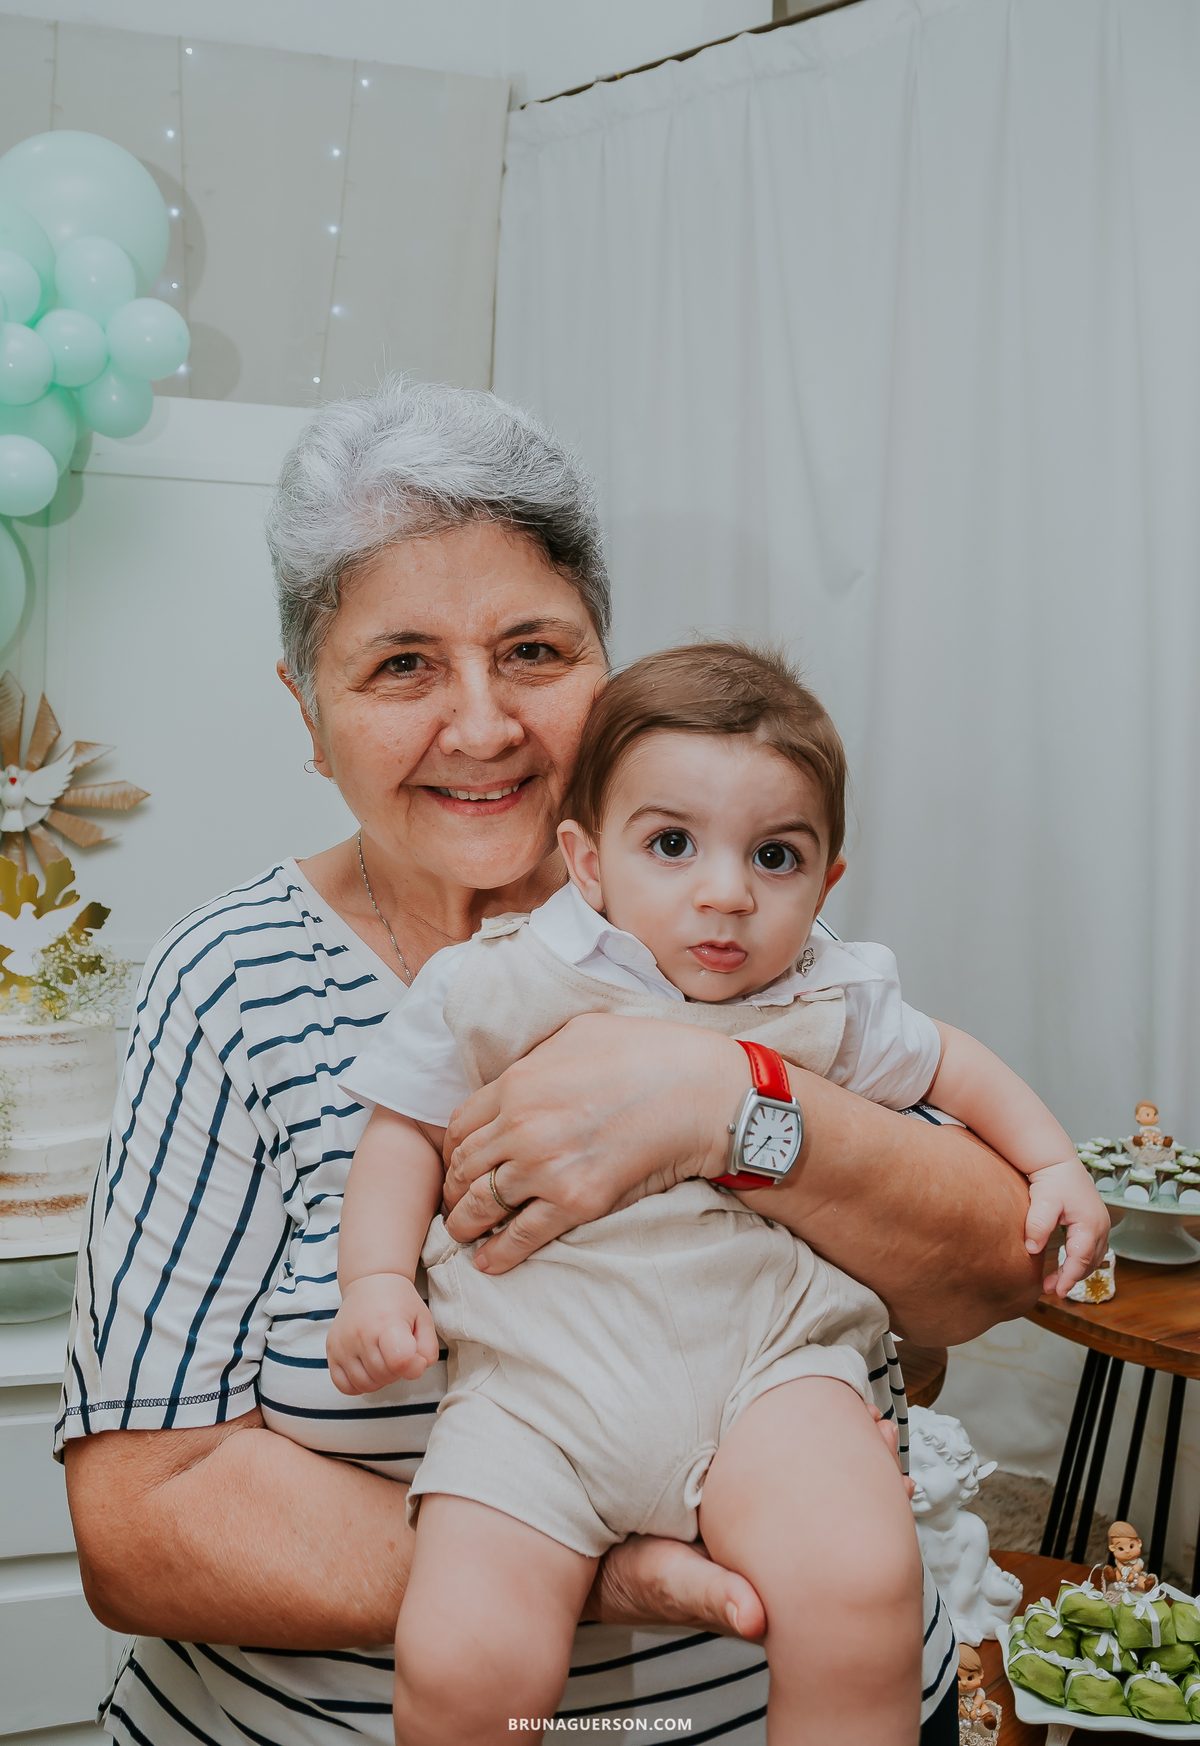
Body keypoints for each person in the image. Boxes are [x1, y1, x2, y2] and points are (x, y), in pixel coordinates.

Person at [58, 379, 1046, 1746]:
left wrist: (730, 1108)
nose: (482, 725)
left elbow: (995, 1265)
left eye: (534, 650)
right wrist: (571, 1565)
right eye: (402, 663)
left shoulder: (743, 925)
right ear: (307, 706)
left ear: (610, 663)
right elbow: (140, 1523)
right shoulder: (228, 985)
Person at [329, 641, 1107, 1742]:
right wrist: (371, 1281)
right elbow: (402, 1128)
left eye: (777, 857)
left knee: (858, 1582)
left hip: (770, 1371)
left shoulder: (826, 992)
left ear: (830, 877)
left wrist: (1054, 1162)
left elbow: (951, 1065)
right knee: (463, 1657)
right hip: (536, 1395)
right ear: (587, 861)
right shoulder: (502, 979)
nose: (728, 894)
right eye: (674, 845)